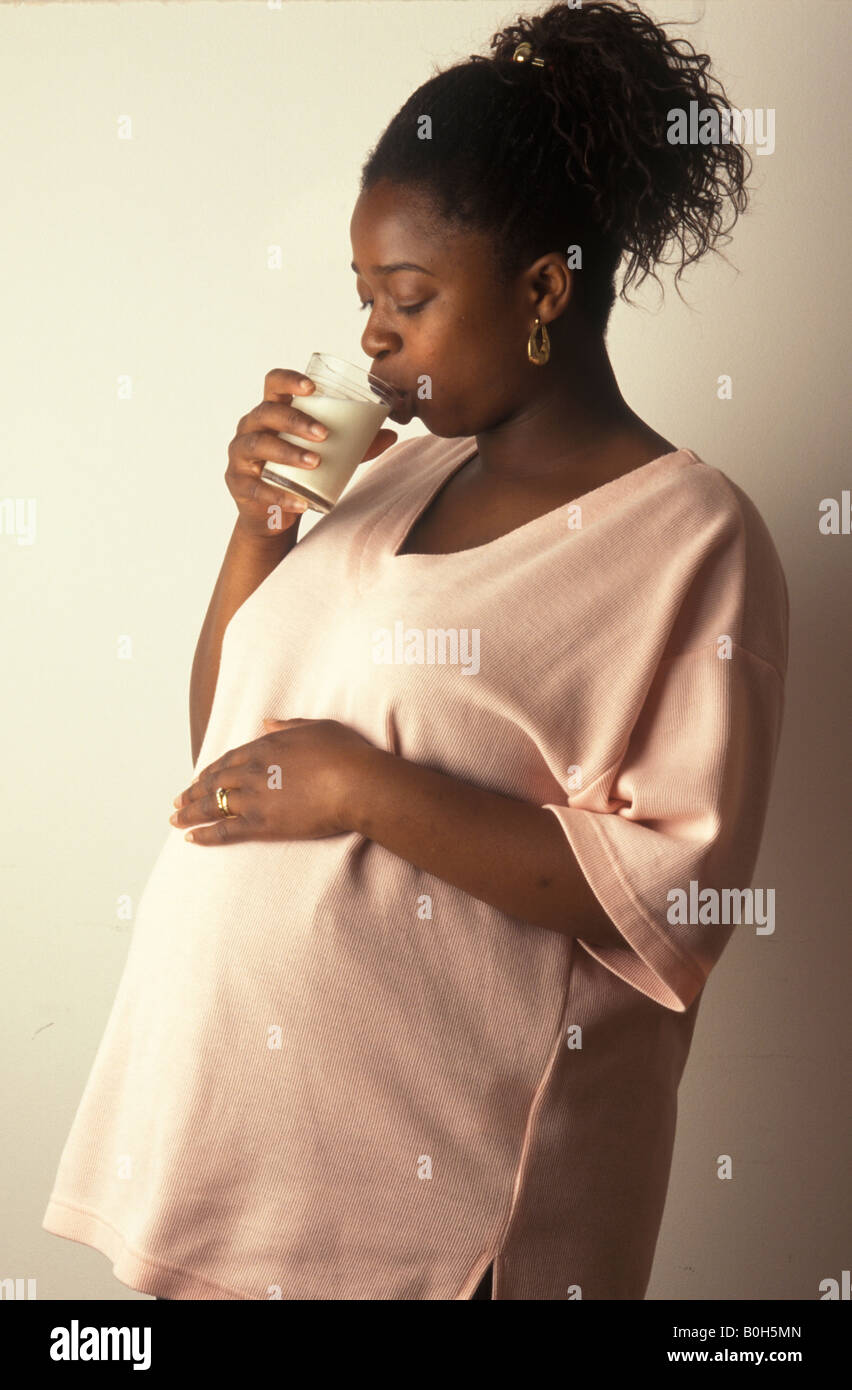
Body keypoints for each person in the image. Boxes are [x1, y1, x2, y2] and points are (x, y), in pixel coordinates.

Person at [42, 1, 788, 1299]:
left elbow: (674, 898)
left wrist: (365, 788)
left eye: (411, 296)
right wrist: (260, 528)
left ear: (544, 288)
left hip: (451, 1217)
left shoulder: (688, 532)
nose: (374, 335)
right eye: (363, 298)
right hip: (231, 1155)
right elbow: (232, 756)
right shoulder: (385, 479)